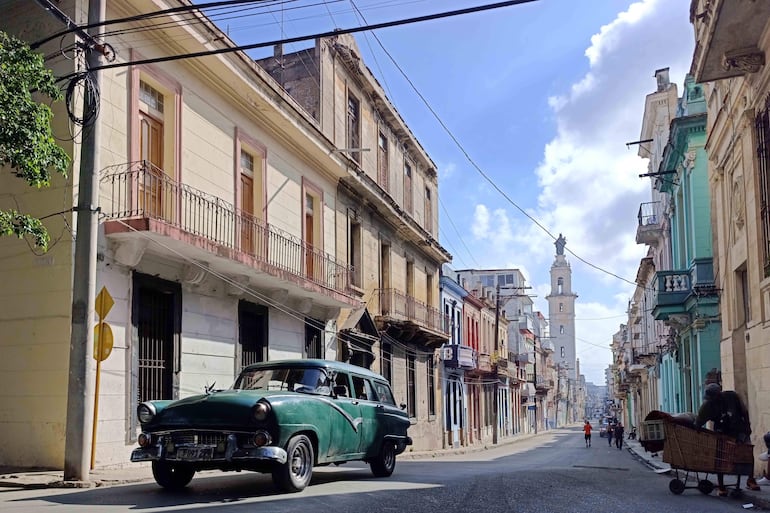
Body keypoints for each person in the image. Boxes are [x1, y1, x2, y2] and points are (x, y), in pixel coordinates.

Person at [695, 383, 760, 495]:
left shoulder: (732, 396)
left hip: (739, 429)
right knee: (721, 457)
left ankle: (750, 480)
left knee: (747, 453)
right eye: (710, 399)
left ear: (719, 394)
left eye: (713, 398)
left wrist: (748, 426)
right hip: (722, 432)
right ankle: (721, 486)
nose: (712, 400)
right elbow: (699, 422)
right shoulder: (707, 406)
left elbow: (744, 412)